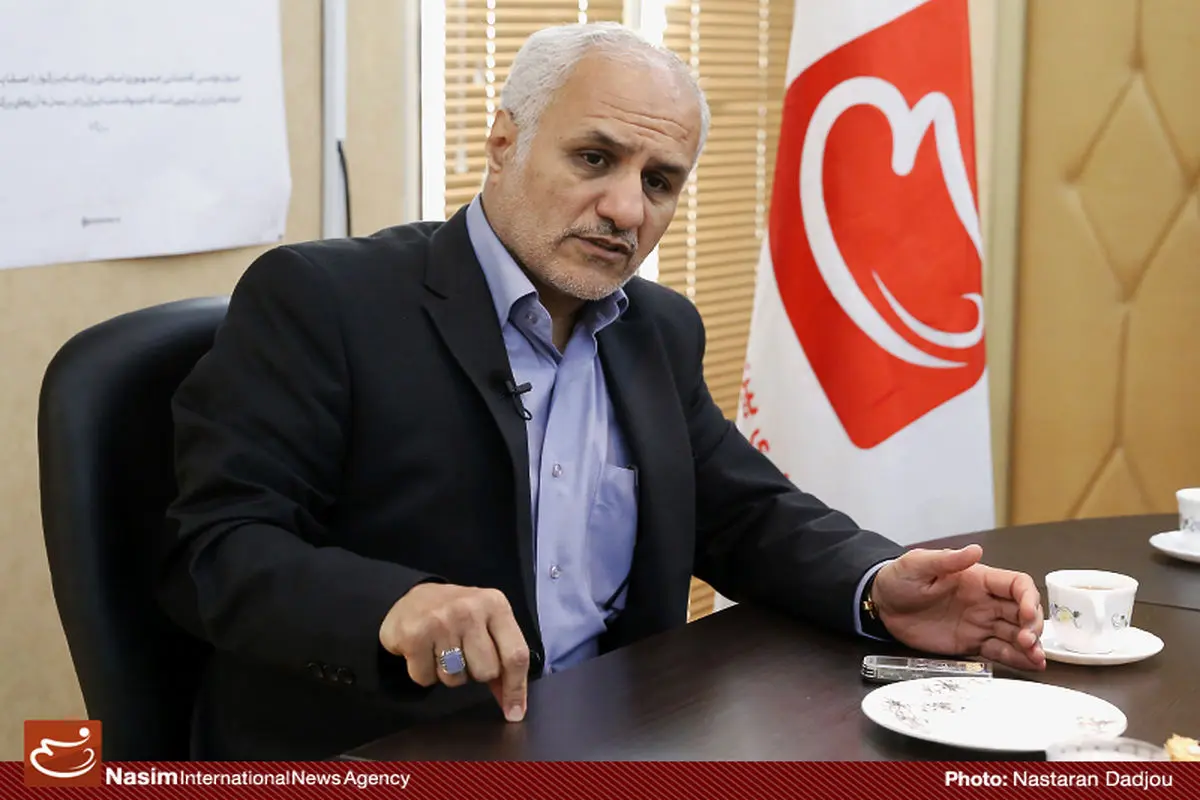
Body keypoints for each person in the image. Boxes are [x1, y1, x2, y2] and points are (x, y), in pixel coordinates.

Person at [157, 21, 1045, 761]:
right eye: (594, 158)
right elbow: (217, 551)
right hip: (388, 747)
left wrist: (878, 585)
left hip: (616, 733)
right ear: (503, 142)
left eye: (659, 182)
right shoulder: (325, 302)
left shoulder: (656, 327)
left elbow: (740, 513)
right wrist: (393, 606)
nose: (626, 209)